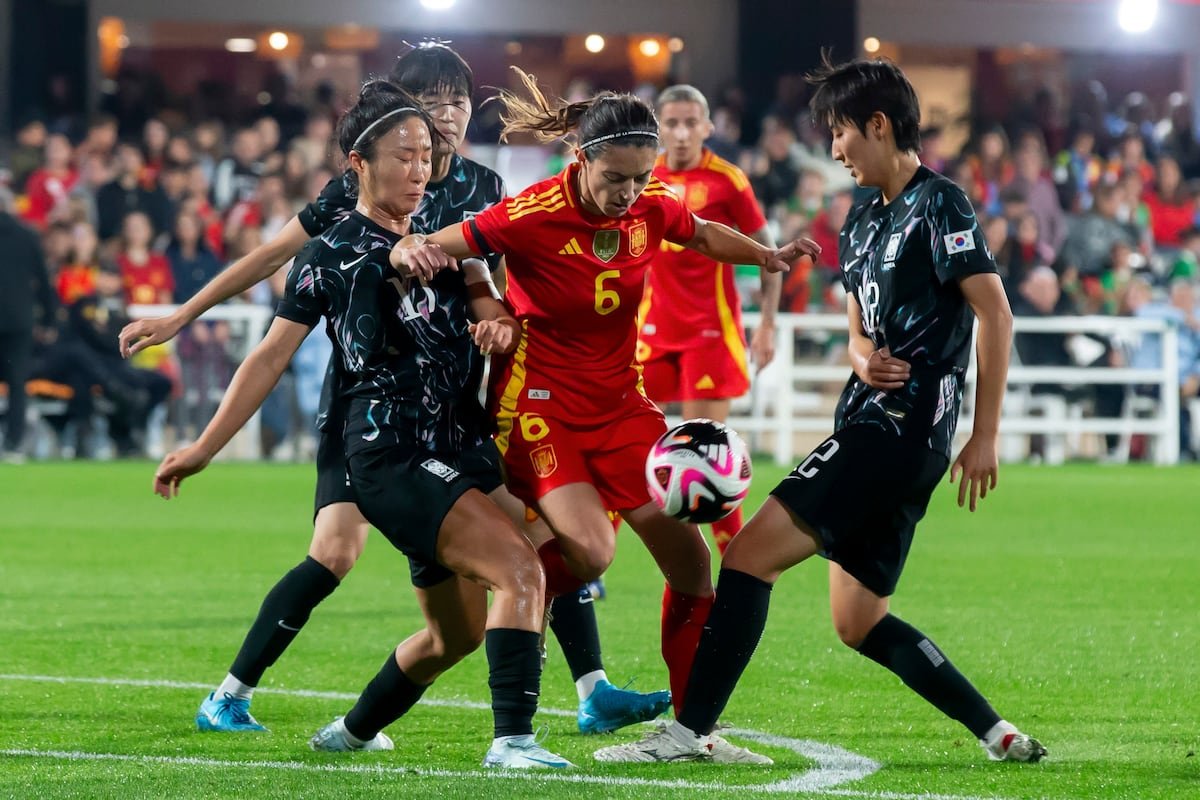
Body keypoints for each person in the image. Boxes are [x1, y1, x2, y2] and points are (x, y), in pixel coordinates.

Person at [119, 43, 666, 737]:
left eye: (458, 101)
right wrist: (183, 320)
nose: (445, 121)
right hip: (373, 420)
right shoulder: (353, 207)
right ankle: (234, 690)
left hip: (454, 420)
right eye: (430, 105)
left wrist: (497, 323)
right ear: (387, 130)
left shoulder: (480, 189)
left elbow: (487, 289)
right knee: (341, 552)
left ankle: (576, 689)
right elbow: (272, 277)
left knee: (478, 609)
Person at [594, 56, 1046, 766]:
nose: (834, 150)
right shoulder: (862, 214)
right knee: (858, 621)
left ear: (878, 125)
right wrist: (862, 356)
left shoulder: (941, 202)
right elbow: (857, 322)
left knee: (745, 557)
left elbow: (995, 312)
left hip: (898, 431)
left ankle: (688, 733)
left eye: (840, 133)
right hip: (869, 419)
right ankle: (999, 733)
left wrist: (984, 434)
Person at [389, 68, 819, 761]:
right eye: (617, 178)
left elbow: (704, 234)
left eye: (641, 178)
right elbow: (448, 245)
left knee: (692, 565)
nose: (630, 195)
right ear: (580, 159)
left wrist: (765, 256)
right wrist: (417, 248)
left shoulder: (650, 204)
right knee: (592, 550)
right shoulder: (529, 214)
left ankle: (690, 730)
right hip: (540, 409)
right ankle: (511, 593)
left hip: (623, 405)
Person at [152, 85, 570, 769]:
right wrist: (203, 448)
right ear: (358, 163)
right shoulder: (331, 256)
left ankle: (350, 731)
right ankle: (514, 743)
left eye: (426, 157)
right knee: (522, 570)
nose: (418, 170)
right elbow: (269, 357)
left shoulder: (444, 239)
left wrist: (496, 324)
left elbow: (489, 301)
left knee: (456, 635)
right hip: (394, 457)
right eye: (402, 157)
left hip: (461, 449)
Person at [637, 84, 780, 554]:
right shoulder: (642, 174)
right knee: (628, 445)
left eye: (689, 123)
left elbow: (768, 253)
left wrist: (767, 324)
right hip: (651, 329)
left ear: (708, 127)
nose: (680, 134)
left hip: (709, 331)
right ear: (658, 127)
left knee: (705, 454)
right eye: (671, 123)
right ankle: (590, 573)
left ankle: (734, 563)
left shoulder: (727, 180)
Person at [0, 188, 56, 462]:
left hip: (13, 319)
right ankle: (13, 444)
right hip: (18, 320)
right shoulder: (26, 235)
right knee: (16, 383)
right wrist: (49, 319)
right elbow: (44, 282)